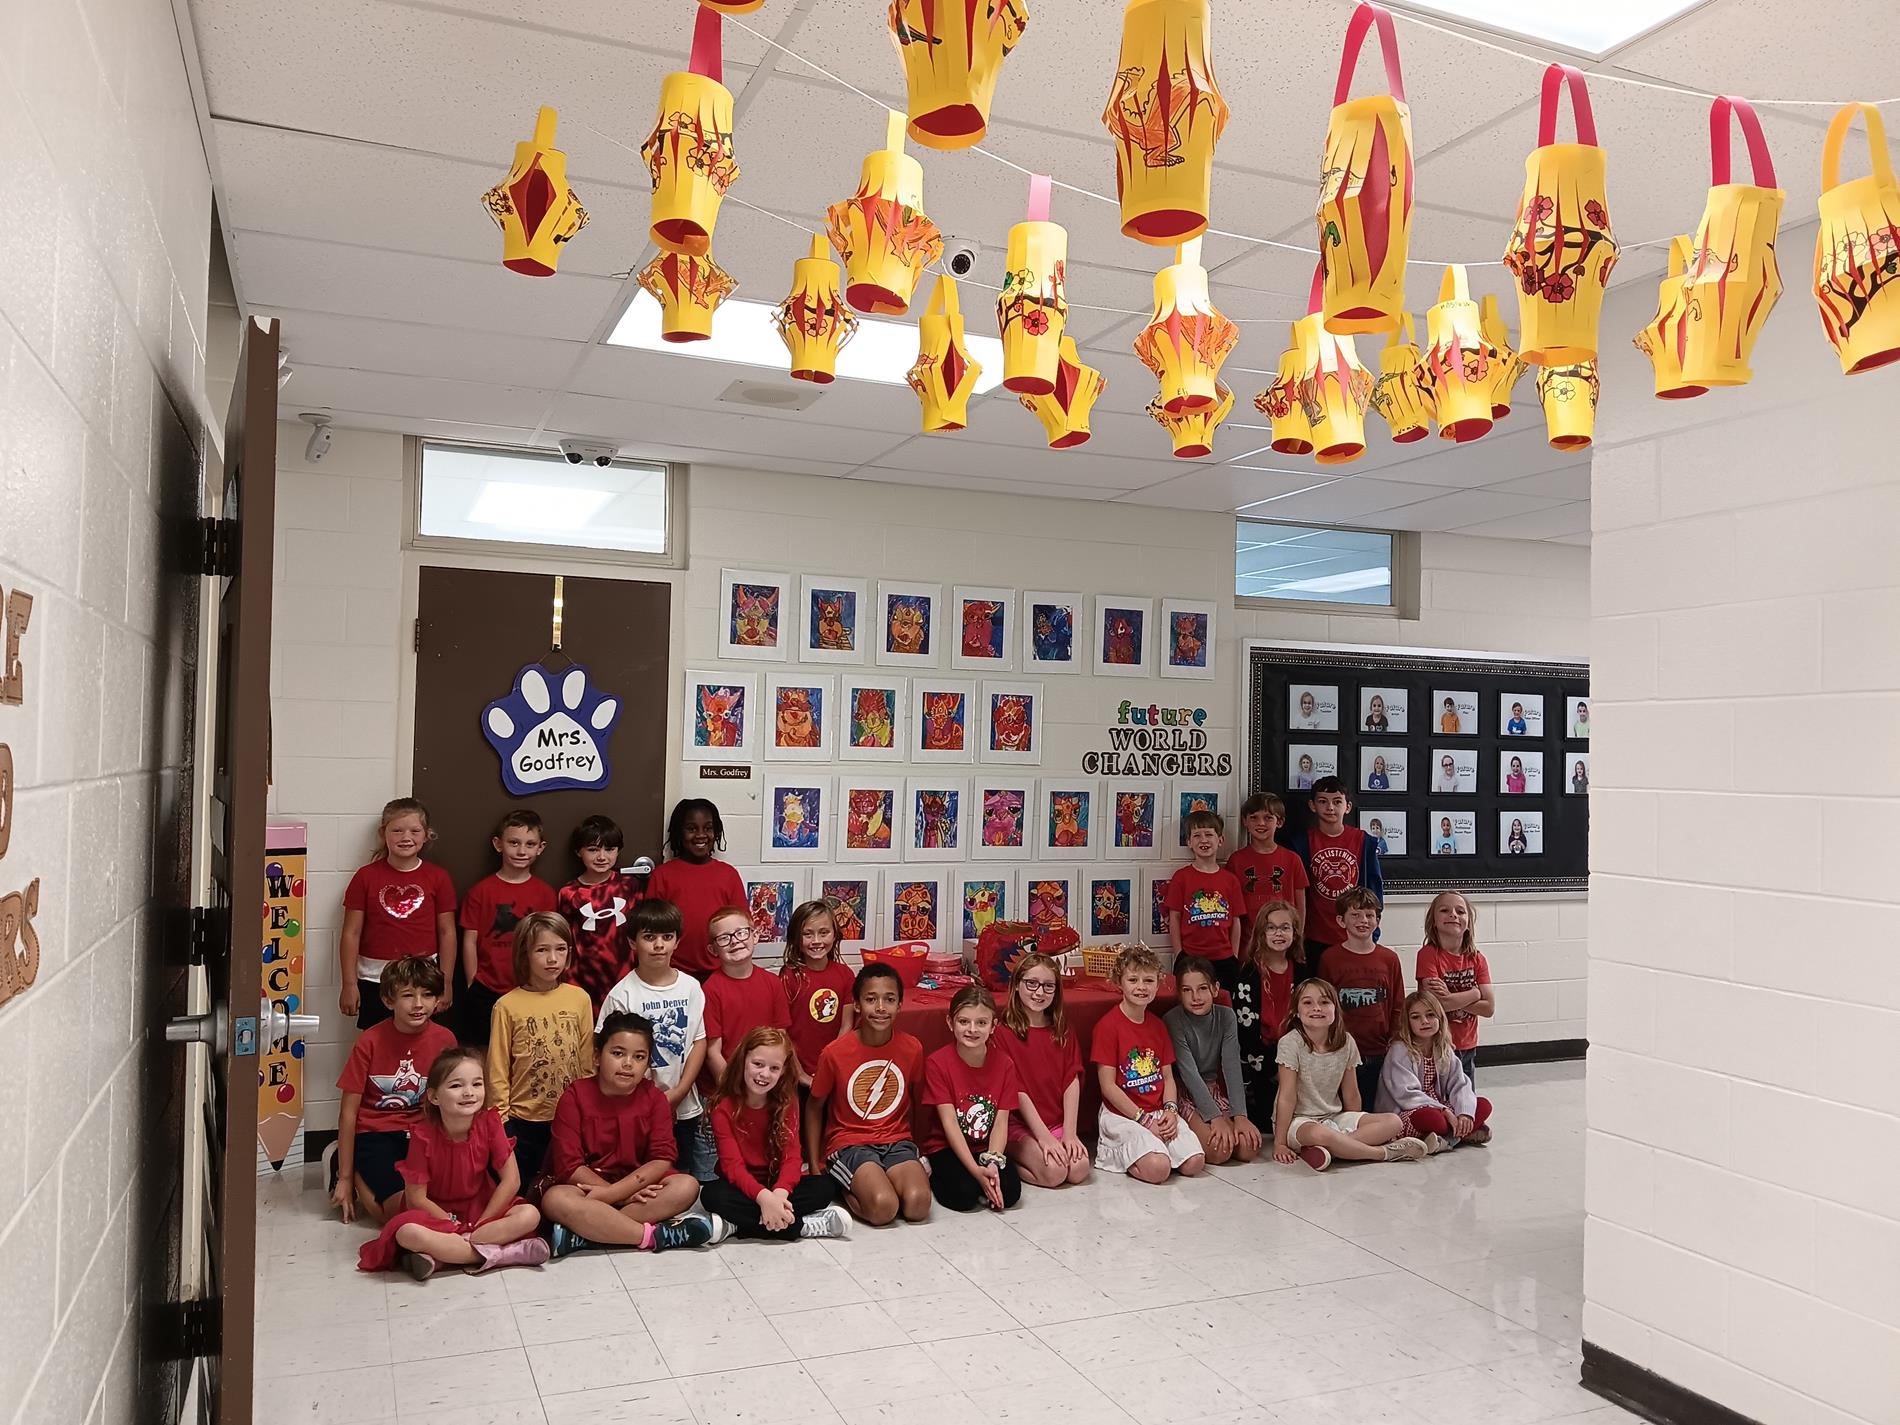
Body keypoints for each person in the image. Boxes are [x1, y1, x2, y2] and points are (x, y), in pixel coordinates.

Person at [541, 1012, 723, 1256]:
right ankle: (652, 1237)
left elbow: (662, 1158)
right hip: (588, 1187)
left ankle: (587, 1234)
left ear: (648, 1064)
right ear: (597, 1056)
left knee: (686, 1186)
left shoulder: (655, 1098)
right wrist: (620, 1196)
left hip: (636, 1184)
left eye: (639, 1057)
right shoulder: (574, 1097)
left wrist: (615, 1193)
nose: (628, 1063)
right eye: (617, 1053)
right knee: (556, 1200)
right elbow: (570, 1166)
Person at [357, 1046, 549, 1277]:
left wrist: (483, 1224)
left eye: (477, 1084)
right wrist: (451, 1225)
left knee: (530, 1214)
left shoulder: (490, 1122)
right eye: (456, 1086)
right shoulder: (422, 1135)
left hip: (481, 1208)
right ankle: (501, 1254)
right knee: (408, 1233)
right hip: (436, 1213)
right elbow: (416, 1198)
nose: (469, 1092)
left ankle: (445, 1256)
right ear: (434, 1096)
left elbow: (511, 1180)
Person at [331, 955, 458, 1225]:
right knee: (397, 1211)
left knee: (440, 1198)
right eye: (408, 995)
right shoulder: (369, 1041)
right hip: (377, 1134)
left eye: (426, 995)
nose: (418, 1004)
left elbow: (452, 1099)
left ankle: (432, 1242)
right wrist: (344, 1178)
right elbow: (349, 1113)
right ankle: (355, 1175)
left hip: (426, 1134)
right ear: (389, 1001)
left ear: (437, 1000)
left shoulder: (445, 1039)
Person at [596, 900, 714, 1182]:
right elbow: (605, 1052)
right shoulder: (622, 995)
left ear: (677, 941)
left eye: (666, 937)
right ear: (633, 942)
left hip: (683, 1104)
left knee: (680, 1172)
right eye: (649, 937)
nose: (659, 945)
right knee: (642, 1174)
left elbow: (699, 1041)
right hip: (635, 1108)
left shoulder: (690, 987)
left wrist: (680, 1090)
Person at [804, 963, 931, 1226]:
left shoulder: (912, 1048)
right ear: (858, 1005)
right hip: (850, 1143)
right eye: (871, 999)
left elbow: (918, 1101)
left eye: (889, 999)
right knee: (884, 1208)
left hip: (897, 1141)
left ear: (900, 1004)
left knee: (918, 1205)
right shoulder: (835, 1052)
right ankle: (842, 1185)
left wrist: (917, 1150)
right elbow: (814, 1106)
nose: (881, 1008)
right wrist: (816, 1166)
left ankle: (879, 1181)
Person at [702, 1026, 851, 1240]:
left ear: (783, 1071)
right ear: (744, 1060)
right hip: (742, 1188)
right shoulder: (723, 1108)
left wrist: (779, 1194)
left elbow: (792, 1157)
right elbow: (732, 1167)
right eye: (758, 1064)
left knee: (825, 1187)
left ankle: (736, 1225)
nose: (764, 1074)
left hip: (777, 1183)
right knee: (711, 1195)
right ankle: (800, 1226)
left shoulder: (788, 1101)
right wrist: (764, 1199)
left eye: (774, 1068)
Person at [485, 912, 594, 1186]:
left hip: (570, 1118)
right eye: (542, 950)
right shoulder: (507, 1006)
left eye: (560, 950)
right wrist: (501, 1121)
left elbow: (586, 1062)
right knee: (524, 1192)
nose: (552, 959)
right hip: (523, 1120)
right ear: (525, 954)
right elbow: (497, 1069)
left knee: (565, 1186)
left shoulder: (579, 998)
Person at [1273, 978, 1425, 1172]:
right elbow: (1286, 1097)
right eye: (1308, 1002)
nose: (1316, 1008)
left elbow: (1351, 1093)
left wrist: (1356, 1121)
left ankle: (1333, 1150)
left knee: (1394, 1122)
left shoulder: (1346, 1042)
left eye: (1325, 1002)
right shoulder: (1290, 1043)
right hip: (1301, 1122)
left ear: (1335, 1008)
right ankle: (1382, 1153)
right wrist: (1280, 1143)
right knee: (1322, 1134)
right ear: (1296, 1011)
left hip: (1334, 1117)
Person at [1089, 946, 1205, 1183]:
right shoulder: (1108, 1027)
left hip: (1158, 1110)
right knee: (1159, 1169)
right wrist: (1143, 1120)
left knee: (1195, 1162)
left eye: (1148, 980)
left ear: (1158, 984)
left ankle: (1157, 1149)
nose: (1141, 986)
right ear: (1119, 982)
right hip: (1124, 1114)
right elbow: (1108, 1087)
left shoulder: (1158, 1026)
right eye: (1133, 980)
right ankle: (1130, 1156)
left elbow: (1168, 1078)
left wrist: (1171, 1111)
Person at [340, 798, 457, 1028]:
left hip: (424, 982)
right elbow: (350, 934)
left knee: (422, 1047)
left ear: (426, 835)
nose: (406, 837)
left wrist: (447, 981)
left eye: (415, 831)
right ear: (383, 833)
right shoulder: (365, 877)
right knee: (378, 1047)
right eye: (397, 830)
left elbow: (447, 932)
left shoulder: (438, 878)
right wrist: (349, 984)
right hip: (374, 980)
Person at [456, 809, 555, 1046]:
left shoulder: (546, 894)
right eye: (514, 843)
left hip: (531, 988)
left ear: (540, 848)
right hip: (486, 990)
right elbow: (469, 940)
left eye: (530, 844)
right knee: (484, 1052)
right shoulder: (481, 892)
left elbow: (550, 941)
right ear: (498, 844)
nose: (521, 851)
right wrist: (472, 982)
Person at [921, 986, 1024, 1212]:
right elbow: (949, 1124)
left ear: (993, 1026)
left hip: (985, 1146)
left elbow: (1000, 1122)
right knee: (963, 1197)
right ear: (950, 1023)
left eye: (981, 1023)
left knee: (1010, 1192)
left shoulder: (1005, 1064)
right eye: (964, 1022)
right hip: (947, 1146)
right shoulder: (937, 1063)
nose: (972, 1029)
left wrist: (993, 1164)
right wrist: (976, 1172)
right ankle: (931, 1171)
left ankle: (984, 1177)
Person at [995, 952, 1090, 1189]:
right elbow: (1017, 1090)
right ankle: (1011, 1162)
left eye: (1048, 987)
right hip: (1019, 1125)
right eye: (1031, 984)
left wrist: (1070, 1133)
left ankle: (1051, 1146)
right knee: (1055, 1173)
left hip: (1056, 1121)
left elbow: (1071, 1079)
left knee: (1078, 1170)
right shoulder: (1003, 1033)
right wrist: (1044, 1138)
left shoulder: (1062, 1029)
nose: (1039, 993)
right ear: (1017, 985)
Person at [1165, 956, 1262, 1167]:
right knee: (1218, 1152)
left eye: (1202, 988)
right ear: (1179, 993)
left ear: (1215, 989)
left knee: (1247, 1147)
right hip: (1185, 1091)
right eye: (1187, 990)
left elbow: (1232, 1066)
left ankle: (1225, 1121)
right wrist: (1214, 1117)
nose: (1195, 997)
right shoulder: (1173, 1020)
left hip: (1212, 1088)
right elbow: (1188, 1073)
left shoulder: (1226, 1017)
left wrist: (1240, 1115)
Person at [1317, 887, 1405, 1110]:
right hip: (1343, 1051)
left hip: (1379, 1050)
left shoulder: (1389, 959)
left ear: (1378, 920)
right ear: (1341, 920)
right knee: (1349, 1110)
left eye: (1369, 915)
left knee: (1377, 1108)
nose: (1363, 920)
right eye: (1355, 915)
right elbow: (1324, 1005)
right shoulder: (1330, 959)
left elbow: (1397, 1003)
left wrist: (1394, 1040)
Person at [646, 799, 748, 981]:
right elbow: (651, 927)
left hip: (722, 971)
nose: (701, 835)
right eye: (691, 829)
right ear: (679, 832)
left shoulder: (728, 874)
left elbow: (743, 925)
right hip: (673, 972)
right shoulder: (662, 875)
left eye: (708, 828)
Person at [1376, 991, 1492, 1148]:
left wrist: (1464, 1113)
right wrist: (1444, 1110)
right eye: (1416, 1017)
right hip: (1409, 1109)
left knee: (1483, 1105)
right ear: (1407, 1022)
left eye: (1430, 1015)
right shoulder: (1399, 1050)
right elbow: (1406, 1094)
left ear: (1439, 1018)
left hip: (1439, 1106)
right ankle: (1458, 1136)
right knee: (1432, 1119)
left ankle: (1443, 1139)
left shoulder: (1443, 1049)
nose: (1424, 1021)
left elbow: (1461, 1084)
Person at [1285, 776, 1383, 961]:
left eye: (1337, 801)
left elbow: (1374, 890)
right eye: (1323, 801)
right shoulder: (1300, 843)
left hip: (1353, 934)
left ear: (1348, 807)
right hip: (1314, 937)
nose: (1330, 807)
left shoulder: (1364, 841)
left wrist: (1372, 932)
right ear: (1312, 806)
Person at [556, 815, 643, 1013]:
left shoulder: (630, 885)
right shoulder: (568, 893)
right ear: (579, 851)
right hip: (584, 976)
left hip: (625, 972)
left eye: (609, 849)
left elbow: (641, 929)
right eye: (593, 850)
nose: (602, 857)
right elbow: (564, 939)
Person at [701, 907, 790, 1081]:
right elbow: (713, 1052)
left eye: (741, 933)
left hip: (766, 1080)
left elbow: (781, 1038)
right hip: (728, 1083)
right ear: (713, 950)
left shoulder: (773, 983)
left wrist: (769, 1080)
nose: (734, 941)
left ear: (755, 936)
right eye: (724, 938)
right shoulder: (710, 990)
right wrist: (734, 1089)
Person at [1415, 890, 1494, 1082]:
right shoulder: (1428, 955)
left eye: (1460, 911)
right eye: (1444, 910)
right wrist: (1475, 993)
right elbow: (1437, 1004)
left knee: (1466, 1101)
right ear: (1433, 921)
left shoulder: (1477, 959)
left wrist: (1452, 997)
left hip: (1467, 1045)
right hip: (1437, 1045)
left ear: (1469, 922)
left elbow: (1489, 1008)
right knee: (1443, 1102)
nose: (1453, 915)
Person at [1165, 809, 1245, 997]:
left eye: (1209, 834)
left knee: (1225, 1005)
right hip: (1191, 957)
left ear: (1220, 840)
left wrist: (1233, 955)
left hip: (1224, 958)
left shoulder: (1230, 880)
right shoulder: (1181, 878)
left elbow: (1236, 920)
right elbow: (1174, 918)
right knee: (1191, 1004)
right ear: (1189, 842)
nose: (1204, 840)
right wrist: (1179, 954)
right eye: (1197, 836)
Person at [1234, 903, 1299, 1130]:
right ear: (1261, 933)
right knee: (1266, 1124)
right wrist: (1273, 1069)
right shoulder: (1249, 972)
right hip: (1260, 1061)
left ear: (1295, 932)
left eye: (1285, 927)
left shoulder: (1302, 970)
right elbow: (1246, 1030)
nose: (1278, 933)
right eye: (1271, 928)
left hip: (1296, 1057)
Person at [780, 900, 855, 1092]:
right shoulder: (789, 976)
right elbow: (783, 1031)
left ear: (835, 935)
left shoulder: (845, 974)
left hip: (832, 1068)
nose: (816, 941)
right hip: (796, 1072)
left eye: (824, 933)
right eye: (807, 934)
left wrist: (829, 1066)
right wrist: (800, 1074)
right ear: (796, 938)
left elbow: (846, 1026)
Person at [1226, 792, 1308, 948]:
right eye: (1254, 817)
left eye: (1268, 817)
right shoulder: (1236, 860)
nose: (1261, 823)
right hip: (1247, 944)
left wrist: (1297, 938)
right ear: (1245, 821)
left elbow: (1301, 906)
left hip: (1283, 943)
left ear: (1280, 822)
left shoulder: (1292, 859)